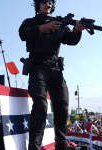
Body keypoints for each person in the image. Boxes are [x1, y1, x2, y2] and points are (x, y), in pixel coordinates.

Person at [18, 0, 85, 149]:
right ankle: (34, 146)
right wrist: (44, 27)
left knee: (62, 105)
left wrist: (78, 30)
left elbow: (71, 40)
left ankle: (61, 144)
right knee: (41, 105)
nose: (47, 4)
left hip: (55, 68)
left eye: (50, 2)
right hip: (37, 67)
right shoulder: (30, 22)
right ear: (37, 5)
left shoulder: (60, 23)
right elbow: (23, 34)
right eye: (43, 1)